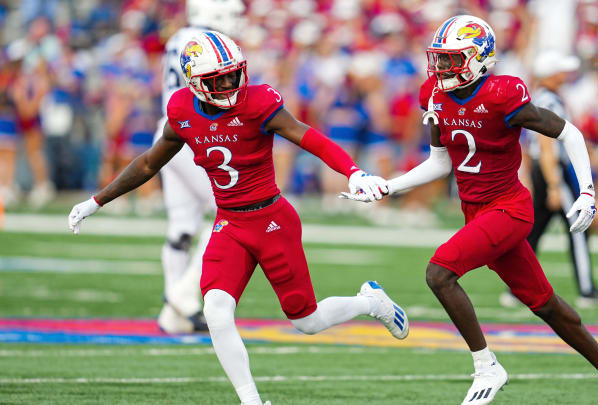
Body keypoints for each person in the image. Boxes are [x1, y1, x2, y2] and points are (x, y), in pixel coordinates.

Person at [69, 30, 409, 405]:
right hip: (230, 222)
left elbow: (306, 136)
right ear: (196, 83)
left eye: (234, 74)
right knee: (215, 309)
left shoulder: (258, 101)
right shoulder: (182, 109)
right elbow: (150, 161)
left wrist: (354, 172)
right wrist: (96, 201)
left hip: (271, 220)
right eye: (220, 78)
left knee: (306, 321)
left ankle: (370, 302)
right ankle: (251, 401)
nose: (230, 83)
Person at [343, 15, 598, 405]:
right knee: (545, 304)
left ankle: (486, 365)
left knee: (439, 273)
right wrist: (388, 187)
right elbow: (440, 163)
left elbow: (569, 133)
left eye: (451, 59)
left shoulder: (503, 94)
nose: (441, 68)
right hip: (476, 210)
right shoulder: (433, 94)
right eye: (440, 59)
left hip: (509, 208)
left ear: (479, 58)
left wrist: (586, 191)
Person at [151, 0, 246, 334]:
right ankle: (183, 293)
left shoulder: (178, 37)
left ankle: (173, 313)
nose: (237, 21)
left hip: (168, 130)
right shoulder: (205, 43)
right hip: (193, 133)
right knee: (232, 210)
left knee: (182, 227)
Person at [499, 50, 598, 309]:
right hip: (552, 170)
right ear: (551, 74)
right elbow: (546, 143)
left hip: (544, 170)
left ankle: (516, 289)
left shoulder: (539, 98)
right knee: (578, 227)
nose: (565, 74)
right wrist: (554, 183)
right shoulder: (548, 101)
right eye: (561, 70)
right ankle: (587, 290)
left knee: (534, 231)